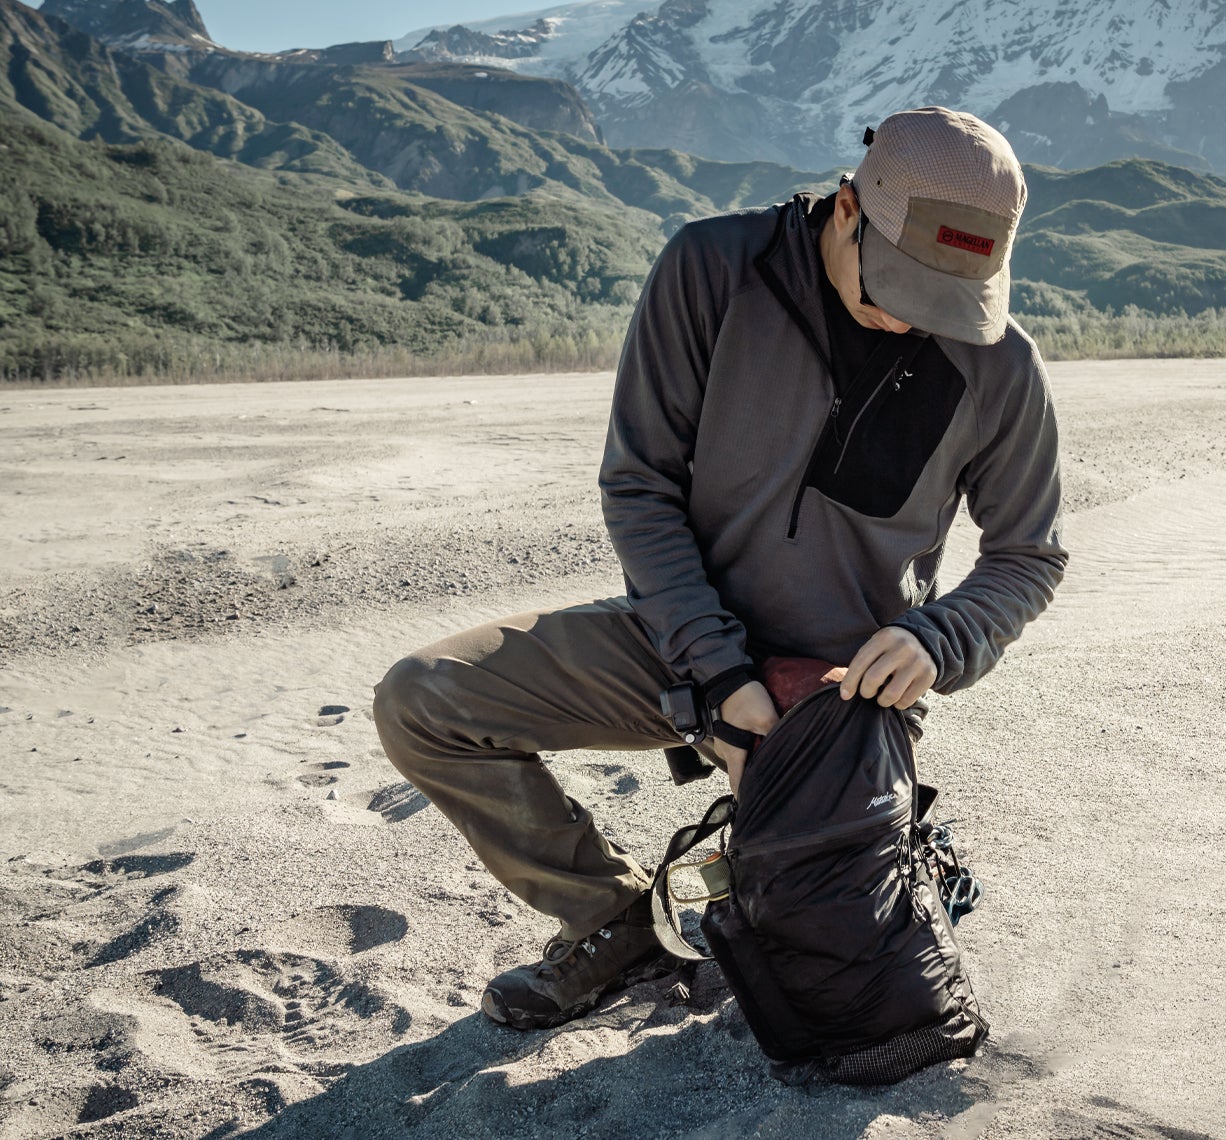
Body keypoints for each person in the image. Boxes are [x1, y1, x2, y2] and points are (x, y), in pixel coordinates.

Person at [372, 107, 1066, 1031]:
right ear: (850, 211)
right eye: (899, 290)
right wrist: (719, 674)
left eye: (947, 303)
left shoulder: (1003, 366)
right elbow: (641, 487)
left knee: (842, 983)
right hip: (679, 637)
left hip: (842, 694)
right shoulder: (711, 271)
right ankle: (617, 924)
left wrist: (935, 639)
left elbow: (1028, 556)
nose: (912, 322)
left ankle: (886, 840)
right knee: (424, 698)